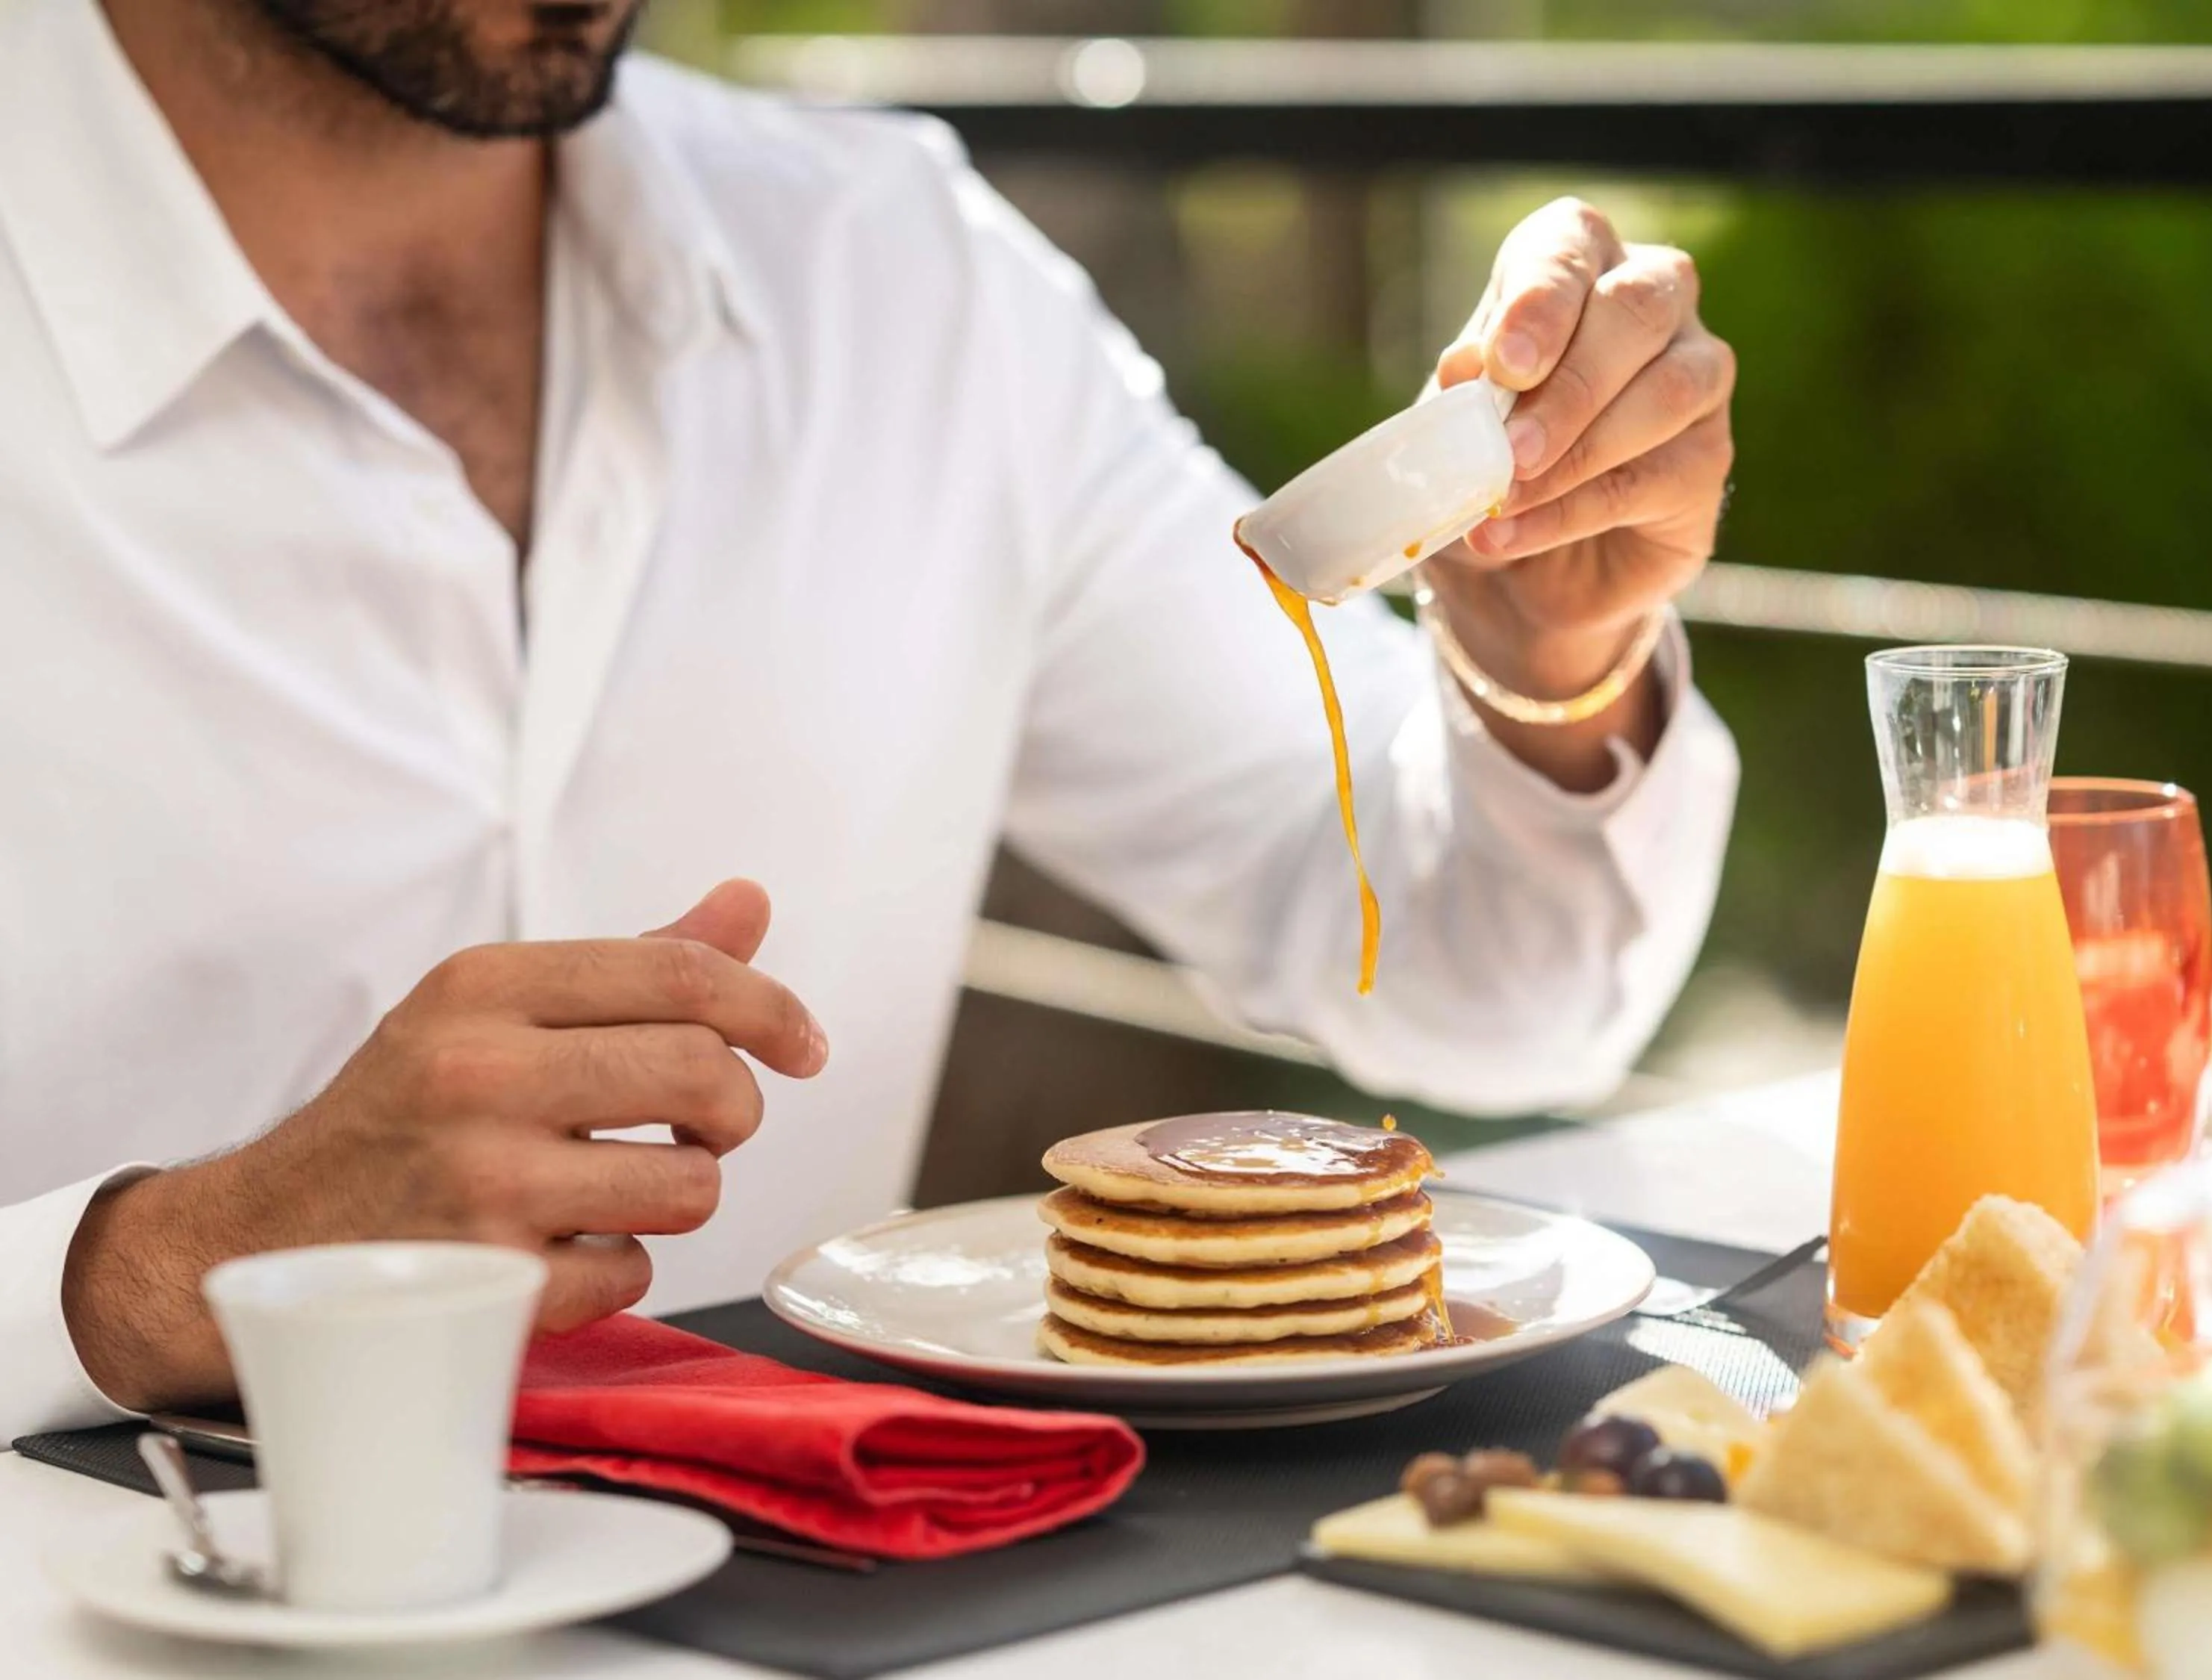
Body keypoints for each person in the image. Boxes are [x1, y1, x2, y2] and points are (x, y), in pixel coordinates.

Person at [0, 0, 1739, 1437]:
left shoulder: (907, 280)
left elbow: (1483, 985)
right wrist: (158, 1271)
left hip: (865, 1596)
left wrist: (1547, 665)